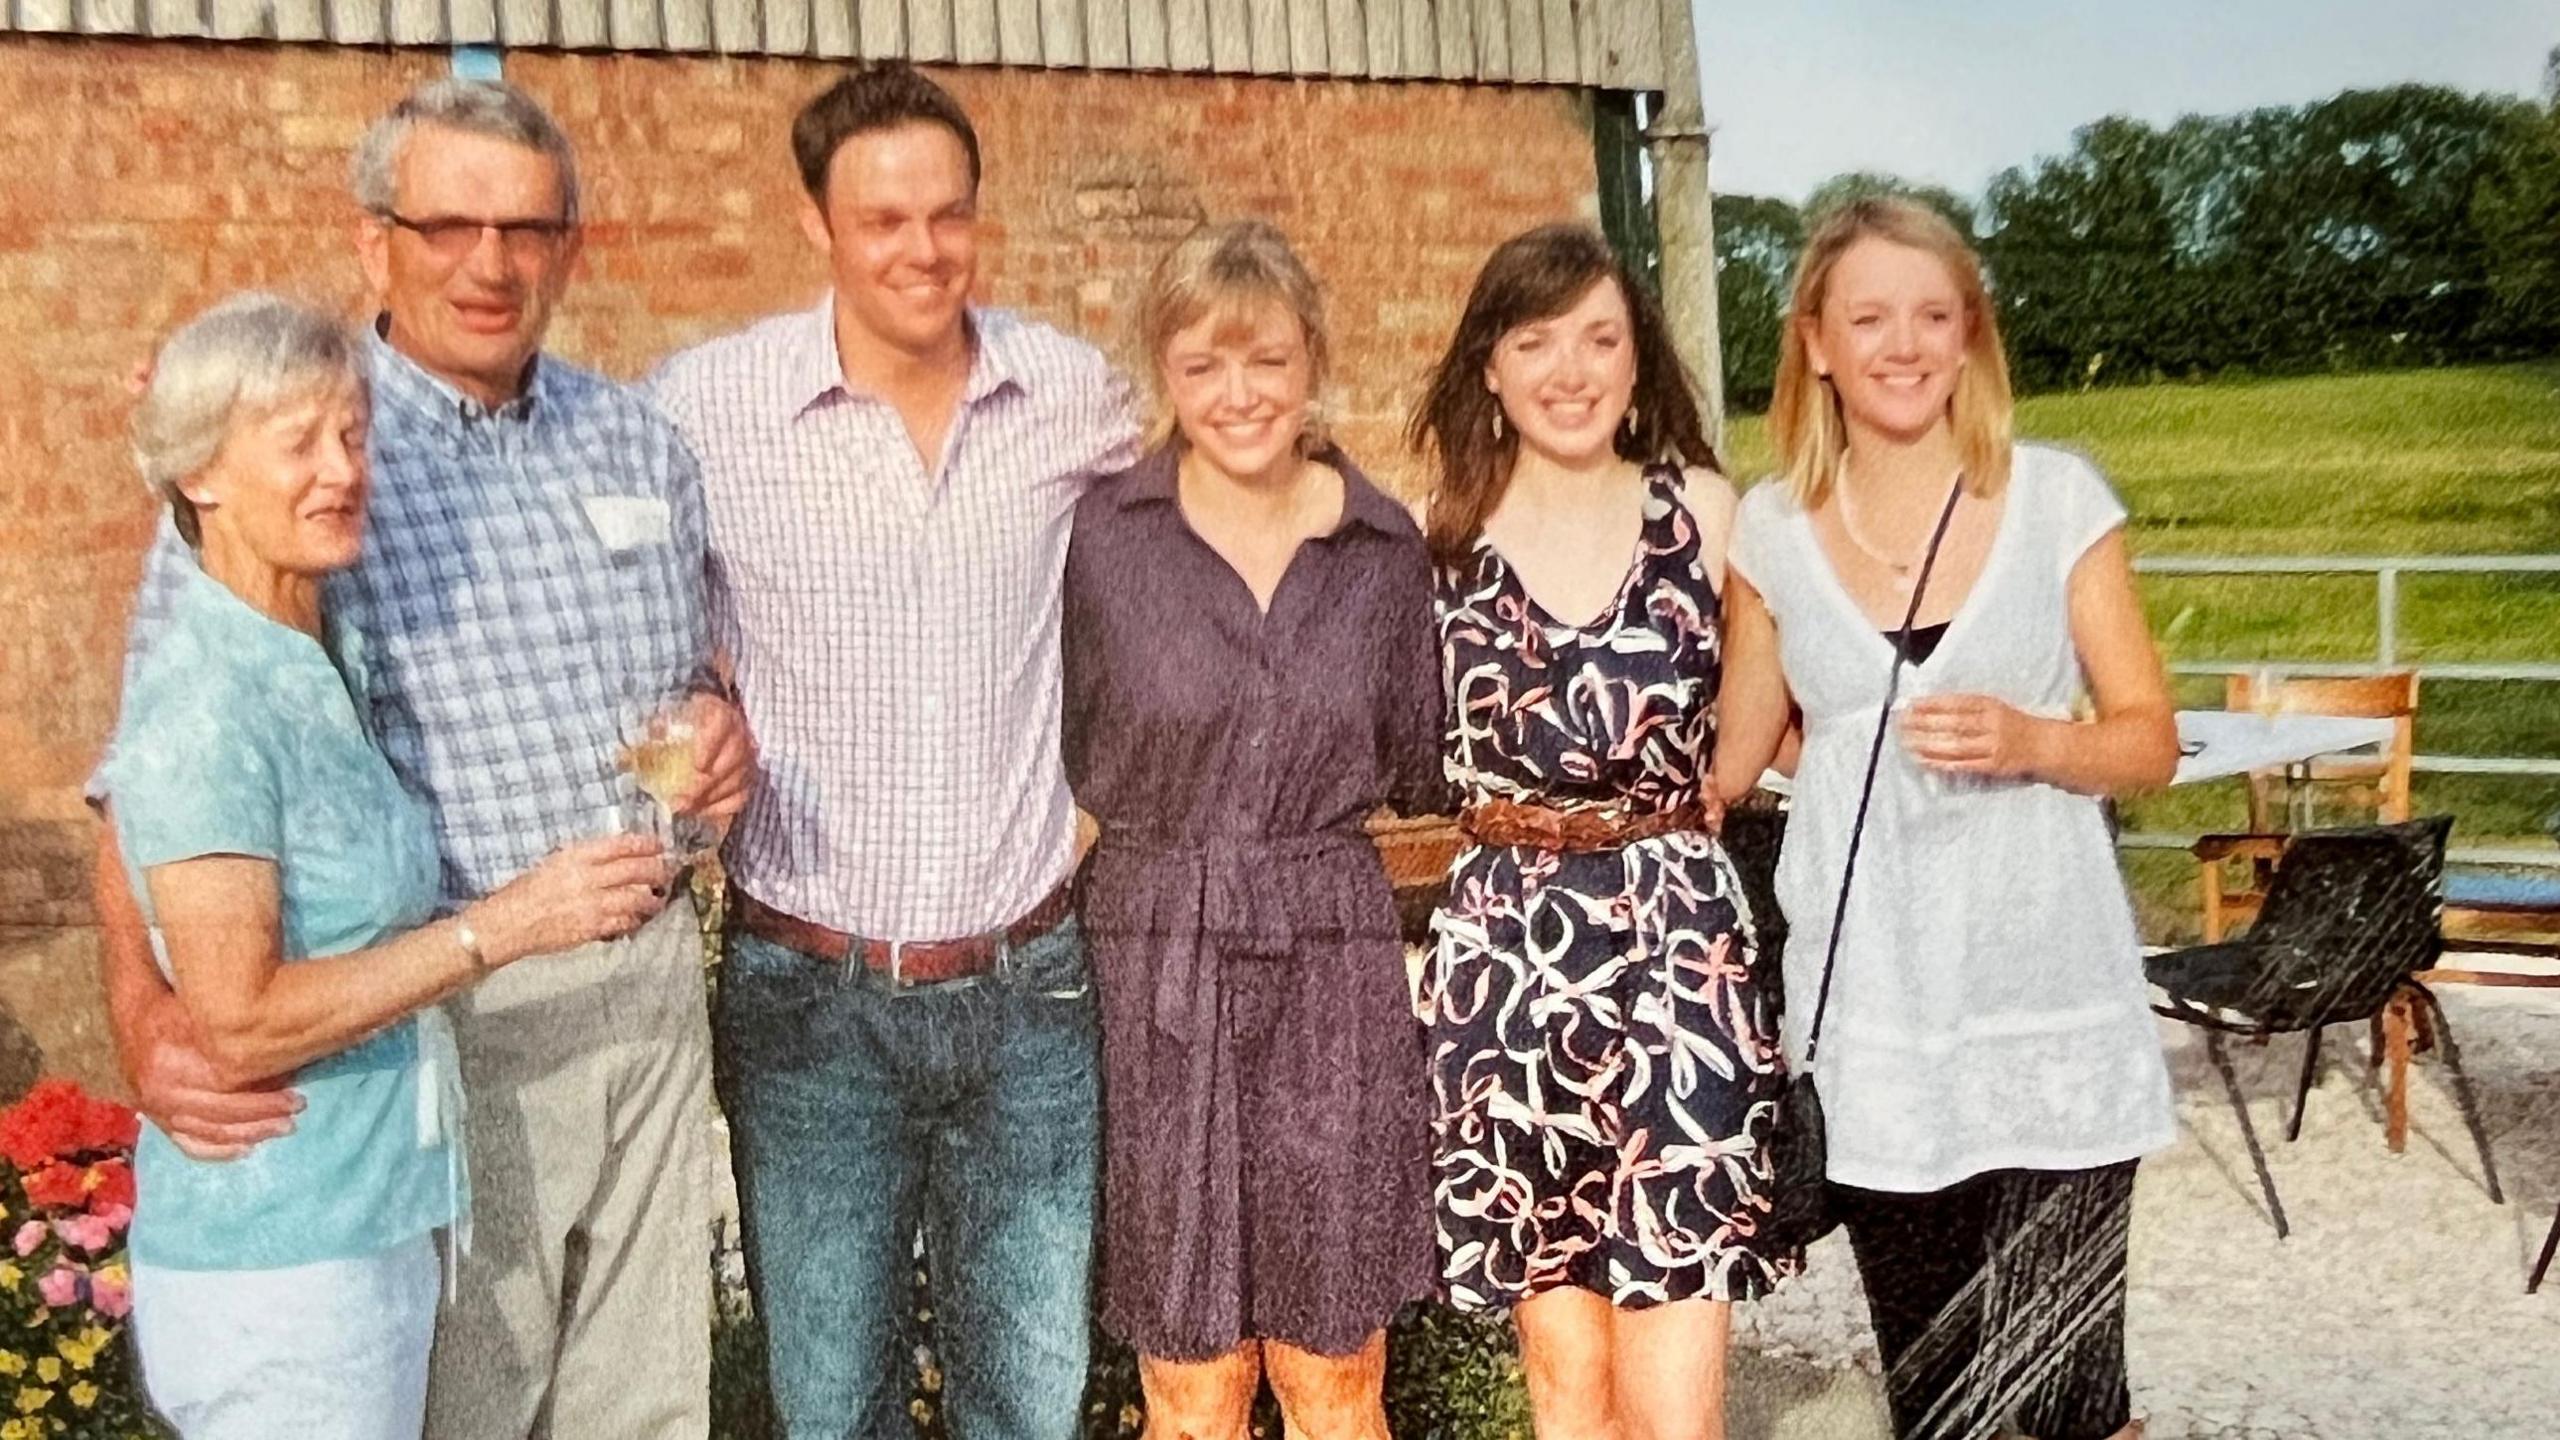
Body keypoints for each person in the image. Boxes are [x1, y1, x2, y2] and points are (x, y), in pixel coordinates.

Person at [95, 80, 752, 1440]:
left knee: (641, 1402)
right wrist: (149, 1016)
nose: (489, 265)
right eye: (448, 224)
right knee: (469, 1398)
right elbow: (141, 790)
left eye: (526, 229)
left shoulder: (636, 438)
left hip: (646, 988)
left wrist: (714, 719)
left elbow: (689, 670)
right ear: (373, 241)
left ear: (572, 246)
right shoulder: (303, 456)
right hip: (453, 1005)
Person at [648, 65, 1139, 1440]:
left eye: (948, 216)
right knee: (831, 1403)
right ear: (815, 224)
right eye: (882, 222)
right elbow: (591, 556)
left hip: (1030, 984)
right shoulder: (704, 410)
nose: (921, 252)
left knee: (1031, 1404)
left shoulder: (1072, 397)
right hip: (810, 996)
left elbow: (1199, 529)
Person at [1710, 196, 2176, 1440]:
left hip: (2047, 1010)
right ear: (1815, 340)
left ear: (1969, 335)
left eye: (1931, 315)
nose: (1902, 344)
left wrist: (2037, 740)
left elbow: (2148, 739)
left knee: (2076, 1401)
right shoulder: (1769, 530)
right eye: (1868, 317)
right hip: (1874, 1024)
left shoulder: (2056, 499)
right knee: (1938, 1402)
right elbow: (1730, 757)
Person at [1411, 222, 1796, 1440]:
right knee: (1565, 1376)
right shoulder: (1436, 542)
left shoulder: (1713, 516)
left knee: (1674, 1376)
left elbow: (1760, 745)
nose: (1569, 371)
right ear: (1487, 365)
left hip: (1678, 949)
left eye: (1598, 339)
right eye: (1535, 342)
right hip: (1505, 960)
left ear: (1639, 362)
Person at [1061, 220, 1439, 1440]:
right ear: (1163, 375)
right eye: (1203, 365)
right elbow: (1056, 756)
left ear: (1311, 360)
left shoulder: (1385, 553)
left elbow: (1427, 759)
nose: (1238, 395)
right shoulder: (1103, 543)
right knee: (1191, 1378)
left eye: (1266, 360)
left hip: (1330, 958)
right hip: (1153, 950)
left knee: (1334, 1372)